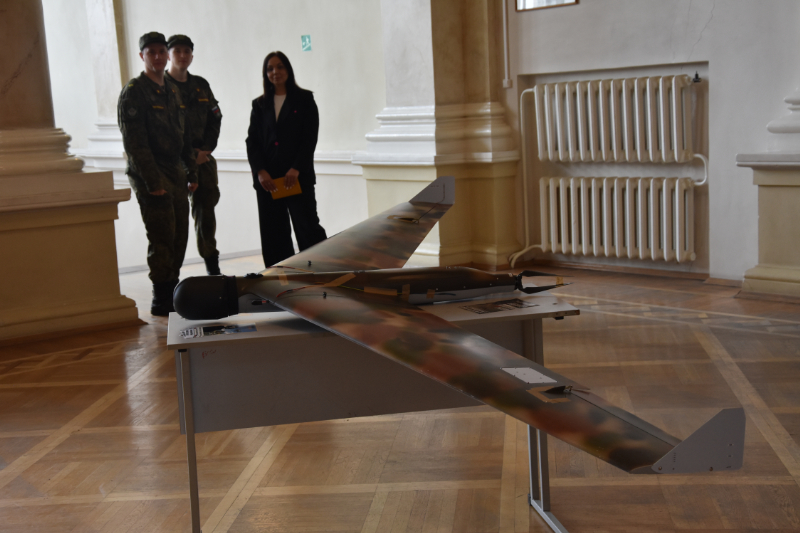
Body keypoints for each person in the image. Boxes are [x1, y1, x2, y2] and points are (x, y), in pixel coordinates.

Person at [117, 32, 198, 316]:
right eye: (151, 52)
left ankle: (173, 288)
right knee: (162, 235)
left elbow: (184, 135)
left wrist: (191, 171)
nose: (158, 57)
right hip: (150, 172)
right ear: (142, 56)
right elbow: (135, 144)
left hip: (175, 170)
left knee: (179, 234)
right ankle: (161, 297)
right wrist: (153, 182)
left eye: (162, 51)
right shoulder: (134, 91)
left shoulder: (172, 90)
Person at [246, 51, 327, 268]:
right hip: (269, 181)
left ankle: (320, 272)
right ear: (265, 74)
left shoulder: (305, 99)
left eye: (280, 66)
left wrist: (296, 168)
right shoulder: (259, 104)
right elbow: (252, 141)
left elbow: (309, 138)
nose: (275, 72)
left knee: (308, 228)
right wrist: (260, 171)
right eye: (270, 68)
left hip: (296, 178)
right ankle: (280, 278)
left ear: (288, 70)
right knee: (274, 235)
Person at [165, 34, 224, 276]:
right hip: (174, 164)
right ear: (169, 55)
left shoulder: (200, 85)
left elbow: (215, 117)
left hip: (202, 159)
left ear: (191, 55)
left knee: (206, 215)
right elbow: (162, 131)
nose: (182, 55)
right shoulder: (160, 86)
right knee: (175, 221)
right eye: (177, 51)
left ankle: (213, 269)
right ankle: (170, 277)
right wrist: (188, 157)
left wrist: (206, 149)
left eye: (187, 51)